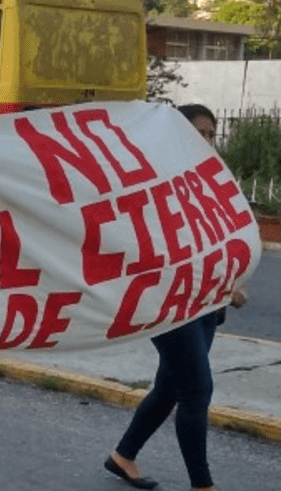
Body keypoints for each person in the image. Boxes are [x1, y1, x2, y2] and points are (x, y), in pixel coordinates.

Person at [104, 103, 248, 491]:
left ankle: (123, 456)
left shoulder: (206, 179)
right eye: (198, 133)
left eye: (211, 134)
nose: (206, 141)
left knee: (171, 387)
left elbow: (213, 238)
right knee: (197, 390)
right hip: (166, 302)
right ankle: (203, 486)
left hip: (207, 302)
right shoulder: (150, 181)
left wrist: (227, 283)